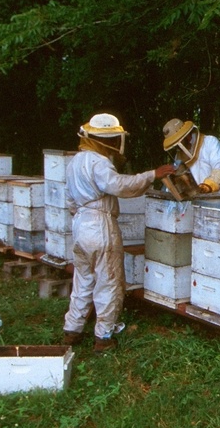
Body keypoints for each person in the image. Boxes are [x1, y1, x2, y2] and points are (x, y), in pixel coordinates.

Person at [62, 113, 175, 352]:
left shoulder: (74, 162)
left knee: (83, 280)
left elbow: (70, 201)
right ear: (106, 140)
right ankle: (103, 338)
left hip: (80, 225)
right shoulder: (99, 162)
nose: (116, 144)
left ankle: (72, 331)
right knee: (109, 281)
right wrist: (152, 175)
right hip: (100, 225)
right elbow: (118, 186)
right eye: (114, 139)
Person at [162, 118, 220, 195]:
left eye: (177, 143)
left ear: (186, 135)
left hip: (219, 197)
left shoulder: (210, 142)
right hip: (196, 200)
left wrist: (208, 186)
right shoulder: (178, 157)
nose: (176, 147)